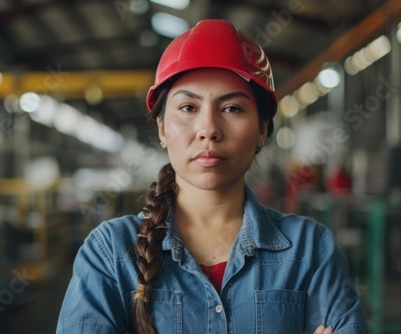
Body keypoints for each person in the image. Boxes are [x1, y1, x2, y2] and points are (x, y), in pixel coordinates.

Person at [56, 19, 367, 334]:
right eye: (188, 108)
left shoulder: (310, 251)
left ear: (261, 130)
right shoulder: (109, 253)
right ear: (162, 128)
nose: (209, 129)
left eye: (232, 108)